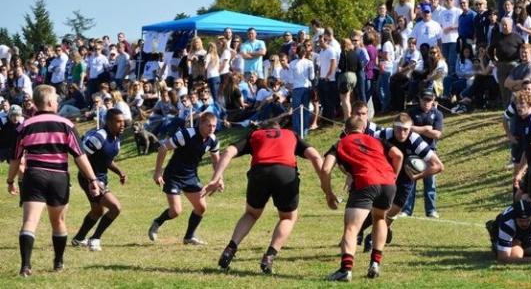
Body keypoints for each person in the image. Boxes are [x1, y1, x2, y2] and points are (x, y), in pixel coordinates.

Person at [205, 121, 327, 274]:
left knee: (251, 213)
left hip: (259, 172)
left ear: (263, 129)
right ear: (279, 128)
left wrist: (216, 177)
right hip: (285, 172)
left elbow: (228, 151)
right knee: (288, 217)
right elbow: (315, 156)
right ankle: (269, 257)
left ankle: (230, 249)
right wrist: (325, 184)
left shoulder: (256, 134)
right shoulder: (291, 134)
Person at [6, 85, 101, 277]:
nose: (58, 102)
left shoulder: (25, 126)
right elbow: (79, 155)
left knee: (30, 221)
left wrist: (10, 180)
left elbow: (16, 158)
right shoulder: (66, 124)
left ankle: (25, 266)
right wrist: (93, 179)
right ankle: (58, 262)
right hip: (58, 177)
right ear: (49, 102)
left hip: (34, 176)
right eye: (56, 99)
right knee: (58, 222)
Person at [321, 117, 404, 281]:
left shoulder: (341, 142)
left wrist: (329, 194)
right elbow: (398, 155)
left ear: (345, 130)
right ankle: (375, 263)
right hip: (387, 183)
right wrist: (393, 176)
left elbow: (325, 169)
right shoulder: (377, 140)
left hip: (365, 182)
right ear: (364, 128)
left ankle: (346, 270)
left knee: (351, 227)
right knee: (379, 218)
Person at [359, 113, 444, 249]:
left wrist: (417, 177)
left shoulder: (415, 141)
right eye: (399, 129)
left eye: (406, 129)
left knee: (394, 210)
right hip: (386, 174)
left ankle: (372, 235)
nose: (402, 133)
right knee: (379, 207)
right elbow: (365, 145)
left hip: (406, 177)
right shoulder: (385, 134)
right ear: (393, 127)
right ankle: (359, 232)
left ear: (410, 129)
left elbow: (438, 166)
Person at [147, 112, 221, 245]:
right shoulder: (186, 134)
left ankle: (189, 237)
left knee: (201, 207)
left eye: (214, 126)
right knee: (176, 211)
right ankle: (157, 222)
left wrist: (219, 178)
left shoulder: (213, 140)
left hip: (191, 176)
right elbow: (163, 148)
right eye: (209, 125)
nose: (212, 129)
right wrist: (158, 173)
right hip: (173, 175)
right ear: (201, 124)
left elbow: (216, 161)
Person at [71, 109, 127, 252]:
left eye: (123, 121)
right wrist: (91, 180)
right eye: (118, 121)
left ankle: (78, 239)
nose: (122, 124)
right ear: (108, 122)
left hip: (100, 178)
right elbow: (80, 158)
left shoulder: (116, 138)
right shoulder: (99, 137)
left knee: (97, 211)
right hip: (89, 179)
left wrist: (119, 171)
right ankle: (95, 238)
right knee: (115, 207)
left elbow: (106, 159)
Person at [402, 90, 443, 218]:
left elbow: (437, 134)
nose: (427, 103)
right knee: (410, 183)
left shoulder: (437, 114)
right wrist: (426, 129)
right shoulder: (411, 112)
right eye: (424, 99)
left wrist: (416, 130)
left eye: (429, 100)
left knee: (430, 183)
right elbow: (406, 129)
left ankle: (431, 210)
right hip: (413, 152)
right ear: (419, 99)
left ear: (433, 100)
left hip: (430, 152)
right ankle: (406, 210)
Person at [489, 200, 531, 264]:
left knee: (530, 251)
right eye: (521, 221)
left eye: (528, 220)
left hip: (526, 233)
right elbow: (502, 259)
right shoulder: (507, 223)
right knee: (515, 255)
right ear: (515, 218)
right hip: (512, 234)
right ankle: (496, 239)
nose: (524, 224)